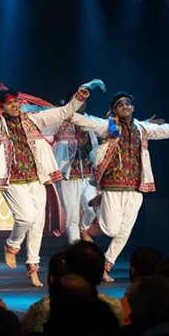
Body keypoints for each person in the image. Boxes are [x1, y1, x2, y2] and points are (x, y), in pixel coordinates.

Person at [0, 84, 92, 286]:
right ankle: (12, 245)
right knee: (25, 218)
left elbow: (63, 112)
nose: (15, 105)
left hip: (36, 178)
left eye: (16, 101)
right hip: (12, 180)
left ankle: (32, 269)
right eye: (9, 104)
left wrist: (79, 97)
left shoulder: (34, 119)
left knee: (37, 225)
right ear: (1, 108)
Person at [71, 91, 169, 282]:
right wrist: (65, 111)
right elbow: (86, 121)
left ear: (133, 108)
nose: (125, 107)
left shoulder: (142, 128)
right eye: (121, 105)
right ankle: (98, 204)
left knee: (125, 231)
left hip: (136, 187)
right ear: (115, 110)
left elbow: (167, 130)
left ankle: (106, 264)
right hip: (112, 185)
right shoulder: (107, 126)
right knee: (112, 230)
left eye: (128, 104)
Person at [49, 90, 100, 244]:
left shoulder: (91, 121)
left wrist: (143, 124)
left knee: (92, 209)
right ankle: (76, 251)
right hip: (68, 176)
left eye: (83, 100)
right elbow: (40, 124)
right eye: (77, 99)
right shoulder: (59, 120)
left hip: (89, 176)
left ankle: (84, 228)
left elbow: (112, 126)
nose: (80, 103)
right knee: (72, 218)